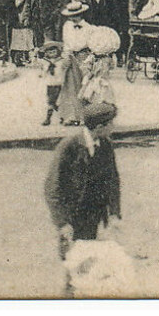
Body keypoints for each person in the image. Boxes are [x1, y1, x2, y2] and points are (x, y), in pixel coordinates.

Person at [44, 100, 121, 256]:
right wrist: (62, 223)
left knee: (88, 260)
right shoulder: (68, 147)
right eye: (111, 123)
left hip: (92, 215)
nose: (114, 127)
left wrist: (114, 213)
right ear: (100, 127)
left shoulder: (105, 144)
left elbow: (112, 180)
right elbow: (52, 187)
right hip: (71, 217)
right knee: (72, 261)